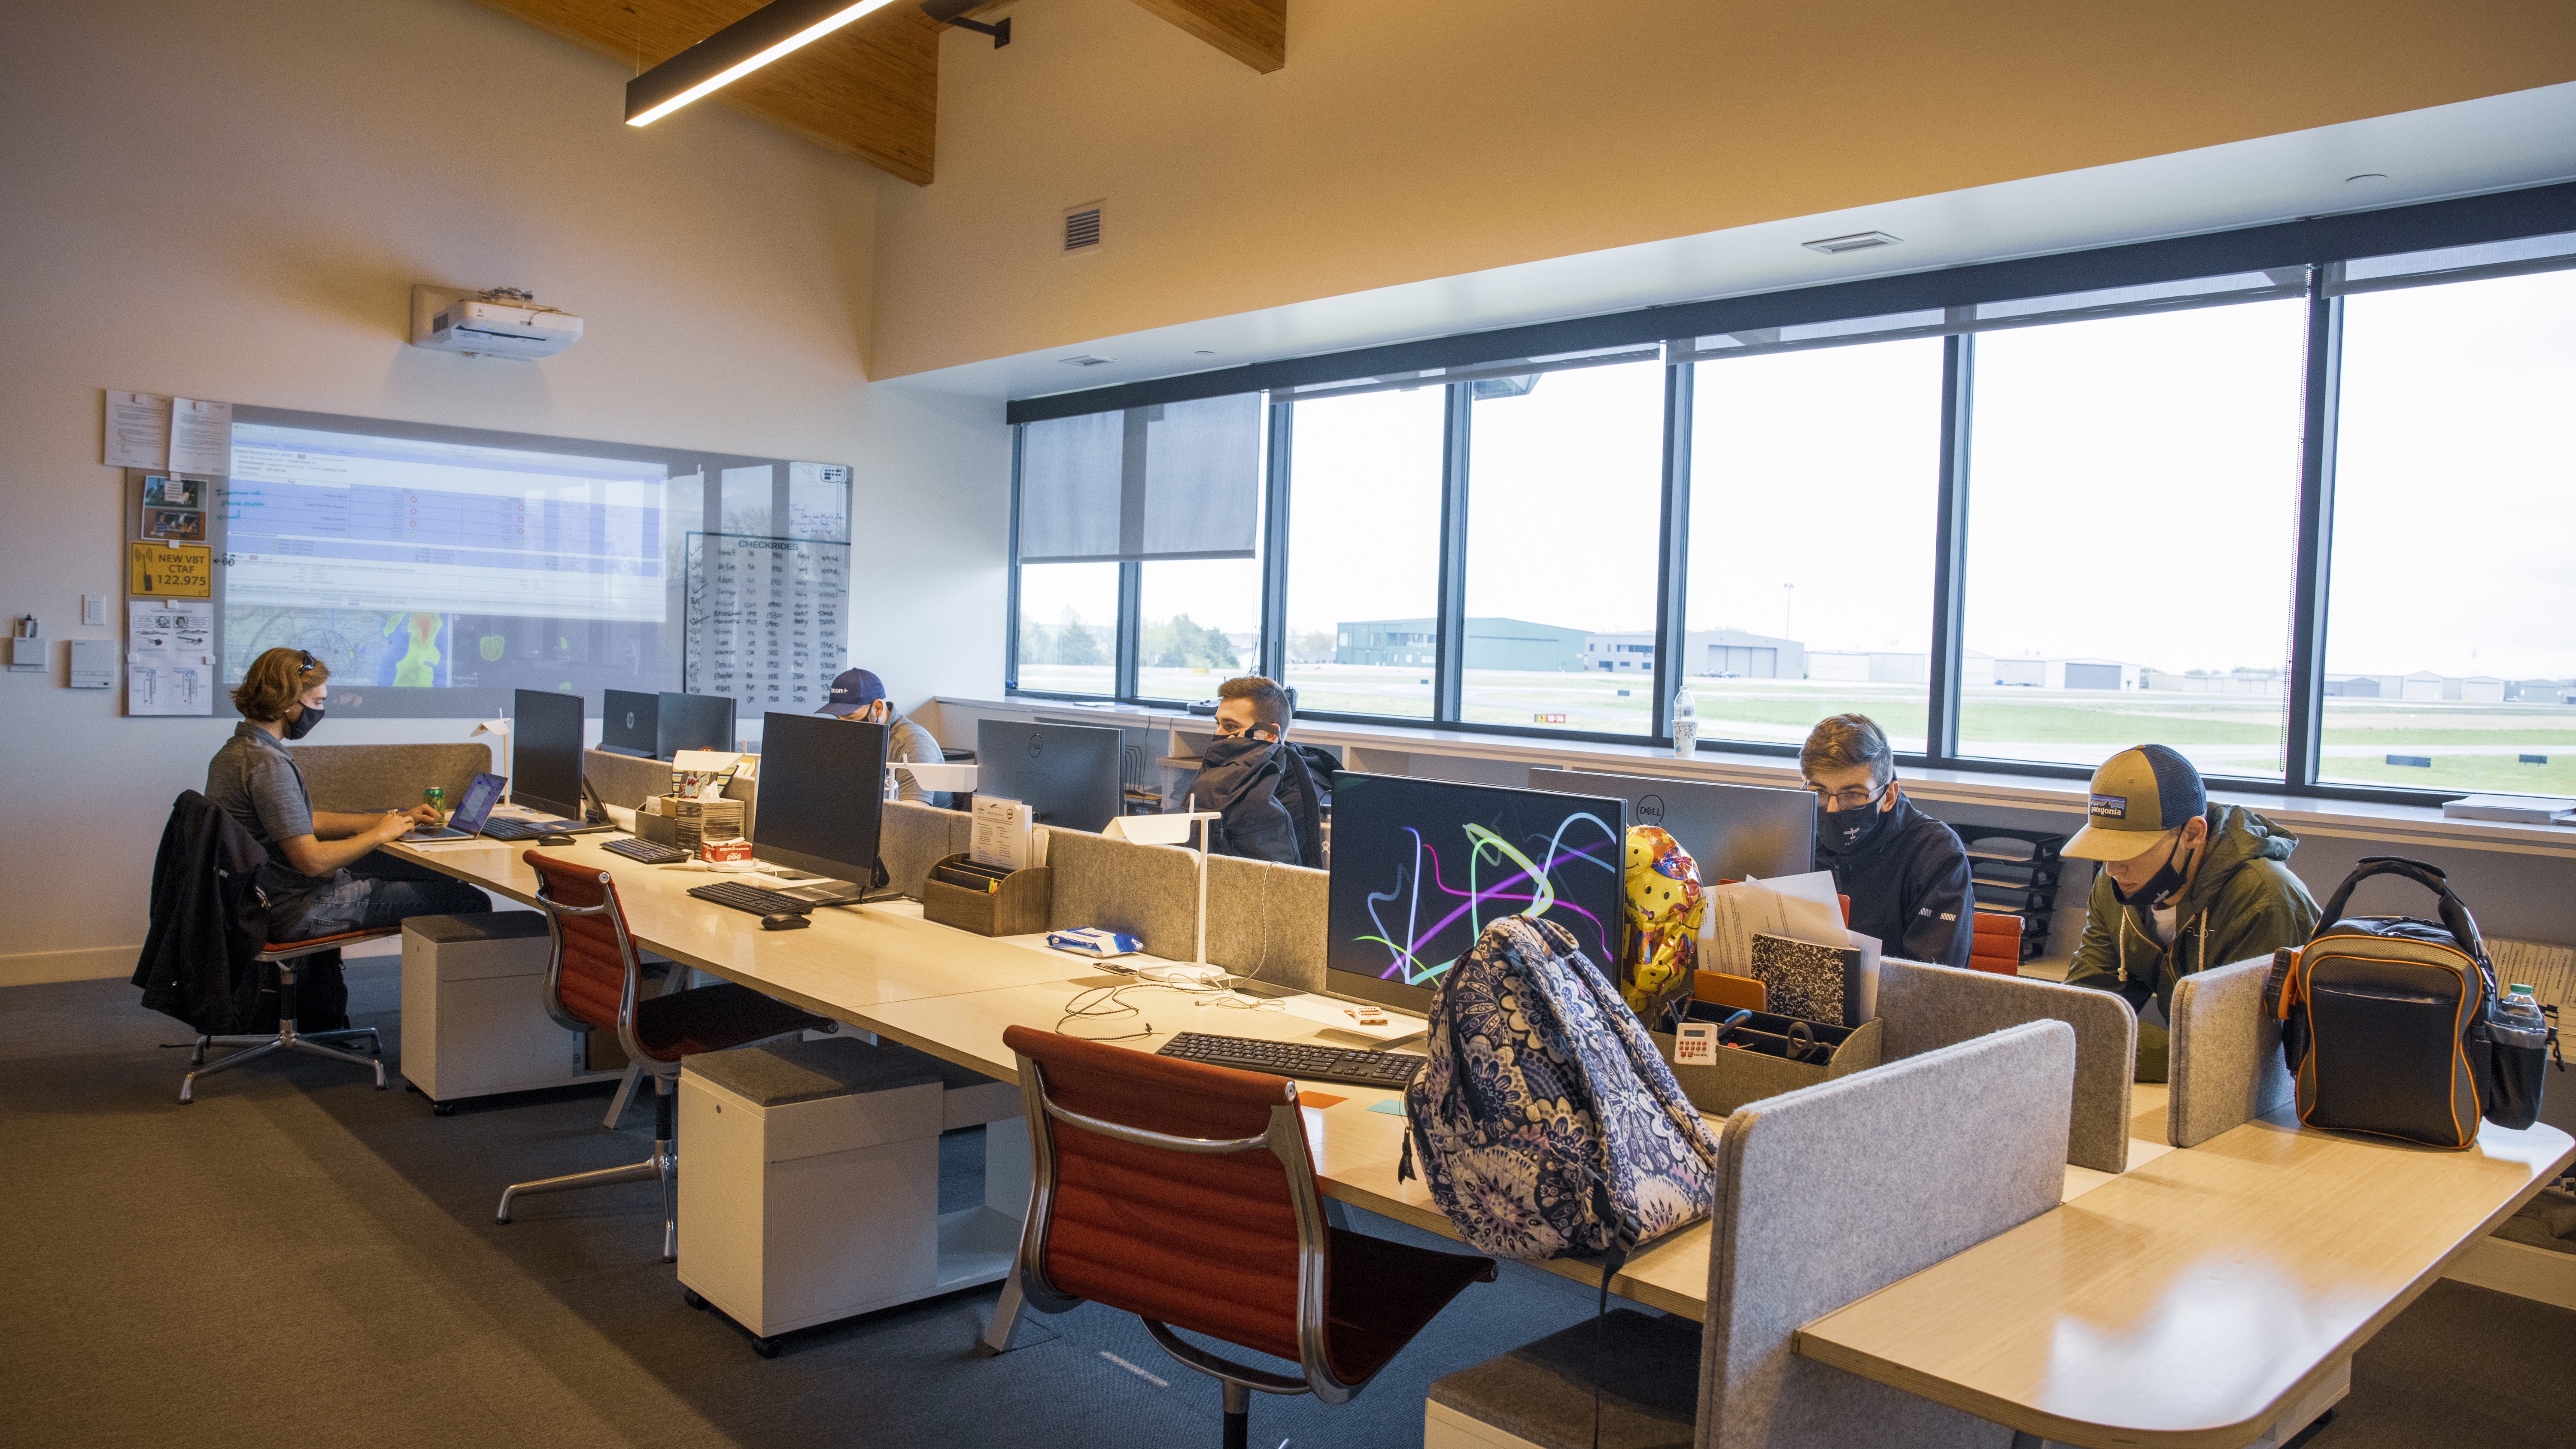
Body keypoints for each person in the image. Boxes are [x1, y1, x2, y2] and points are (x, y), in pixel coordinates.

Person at [2061, 744, 2320, 1082]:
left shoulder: (2265, 900)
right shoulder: (2117, 888)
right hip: (2189, 1093)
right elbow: (2081, 1009)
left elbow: (2236, 1054)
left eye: (2131, 850)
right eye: (2105, 849)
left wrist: (2096, 1040)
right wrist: (2080, 1033)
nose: (2113, 869)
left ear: (2193, 834)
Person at [205, 647, 487, 939]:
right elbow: (312, 861)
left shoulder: (236, 752)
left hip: (263, 898)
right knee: (469, 900)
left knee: (438, 875)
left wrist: (396, 820)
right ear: (288, 703)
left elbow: (304, 821)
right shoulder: (268, 764)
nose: (320, 712)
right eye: (316, 702)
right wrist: (379, 835)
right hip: (294, 907)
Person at [1800, 714, 1974, 969]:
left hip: (1887, 1006)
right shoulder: (1793, 833)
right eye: (1820, 792)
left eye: (1853, 794)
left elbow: (1933, 984)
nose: (1835, 809)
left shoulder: (1936, 853)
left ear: (1889, 796)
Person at [1189, 675, 1325, 868]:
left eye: (1230, 726)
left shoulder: (1295, 795)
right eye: (1217, 724)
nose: (1218, 734)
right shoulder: (1228, 774)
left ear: (1269, 735)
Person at [817, 668, 951, 807]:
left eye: (851, 717)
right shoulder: (859, 738)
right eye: (838, 718)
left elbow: (913, 816)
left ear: (878, 708)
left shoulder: (913, 743)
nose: (843, 727)